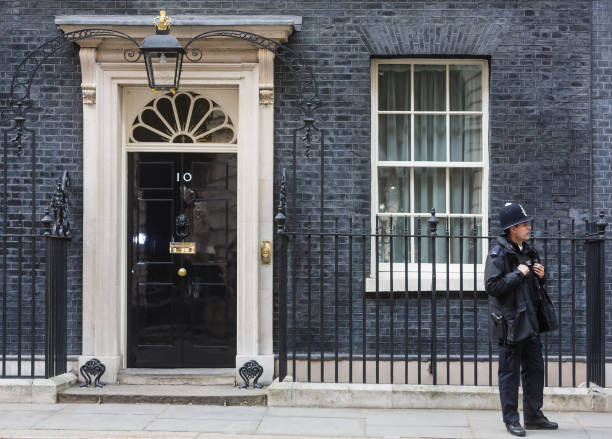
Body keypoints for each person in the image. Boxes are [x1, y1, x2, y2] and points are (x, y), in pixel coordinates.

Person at [485, 203, 559, 437]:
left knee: (535, 369)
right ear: (512, 228)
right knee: (509, 373)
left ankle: (534, 416)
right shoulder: (499, 253)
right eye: (525, 224)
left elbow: (534, 286)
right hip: (510, 323)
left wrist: (541, 276)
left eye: (528, 224)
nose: (529, 227)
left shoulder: (528, 250)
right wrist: (519, 273)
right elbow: (492, 286)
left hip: (530, 321)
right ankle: (511, 419)